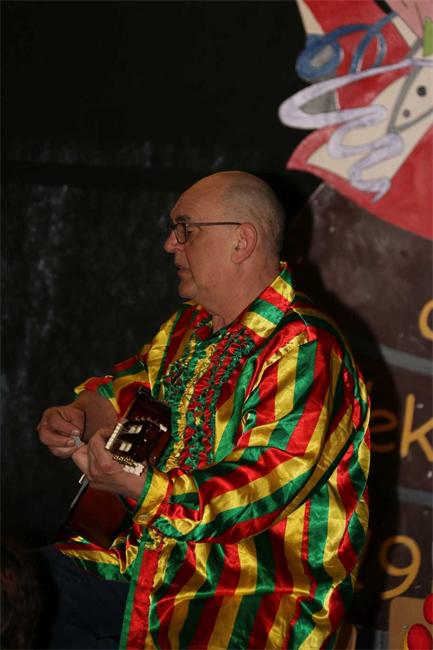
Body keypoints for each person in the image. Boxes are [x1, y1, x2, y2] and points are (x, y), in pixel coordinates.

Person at [37, 170, 370, 649]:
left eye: (185, 229)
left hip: (243, 601)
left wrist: (143, 489)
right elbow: (125, 393)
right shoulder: (186, 328)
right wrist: (77, 417)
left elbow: (262, 483)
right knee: (22, 590)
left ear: (242, 241)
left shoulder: (306, 346)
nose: (170, 245)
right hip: (146, 571)